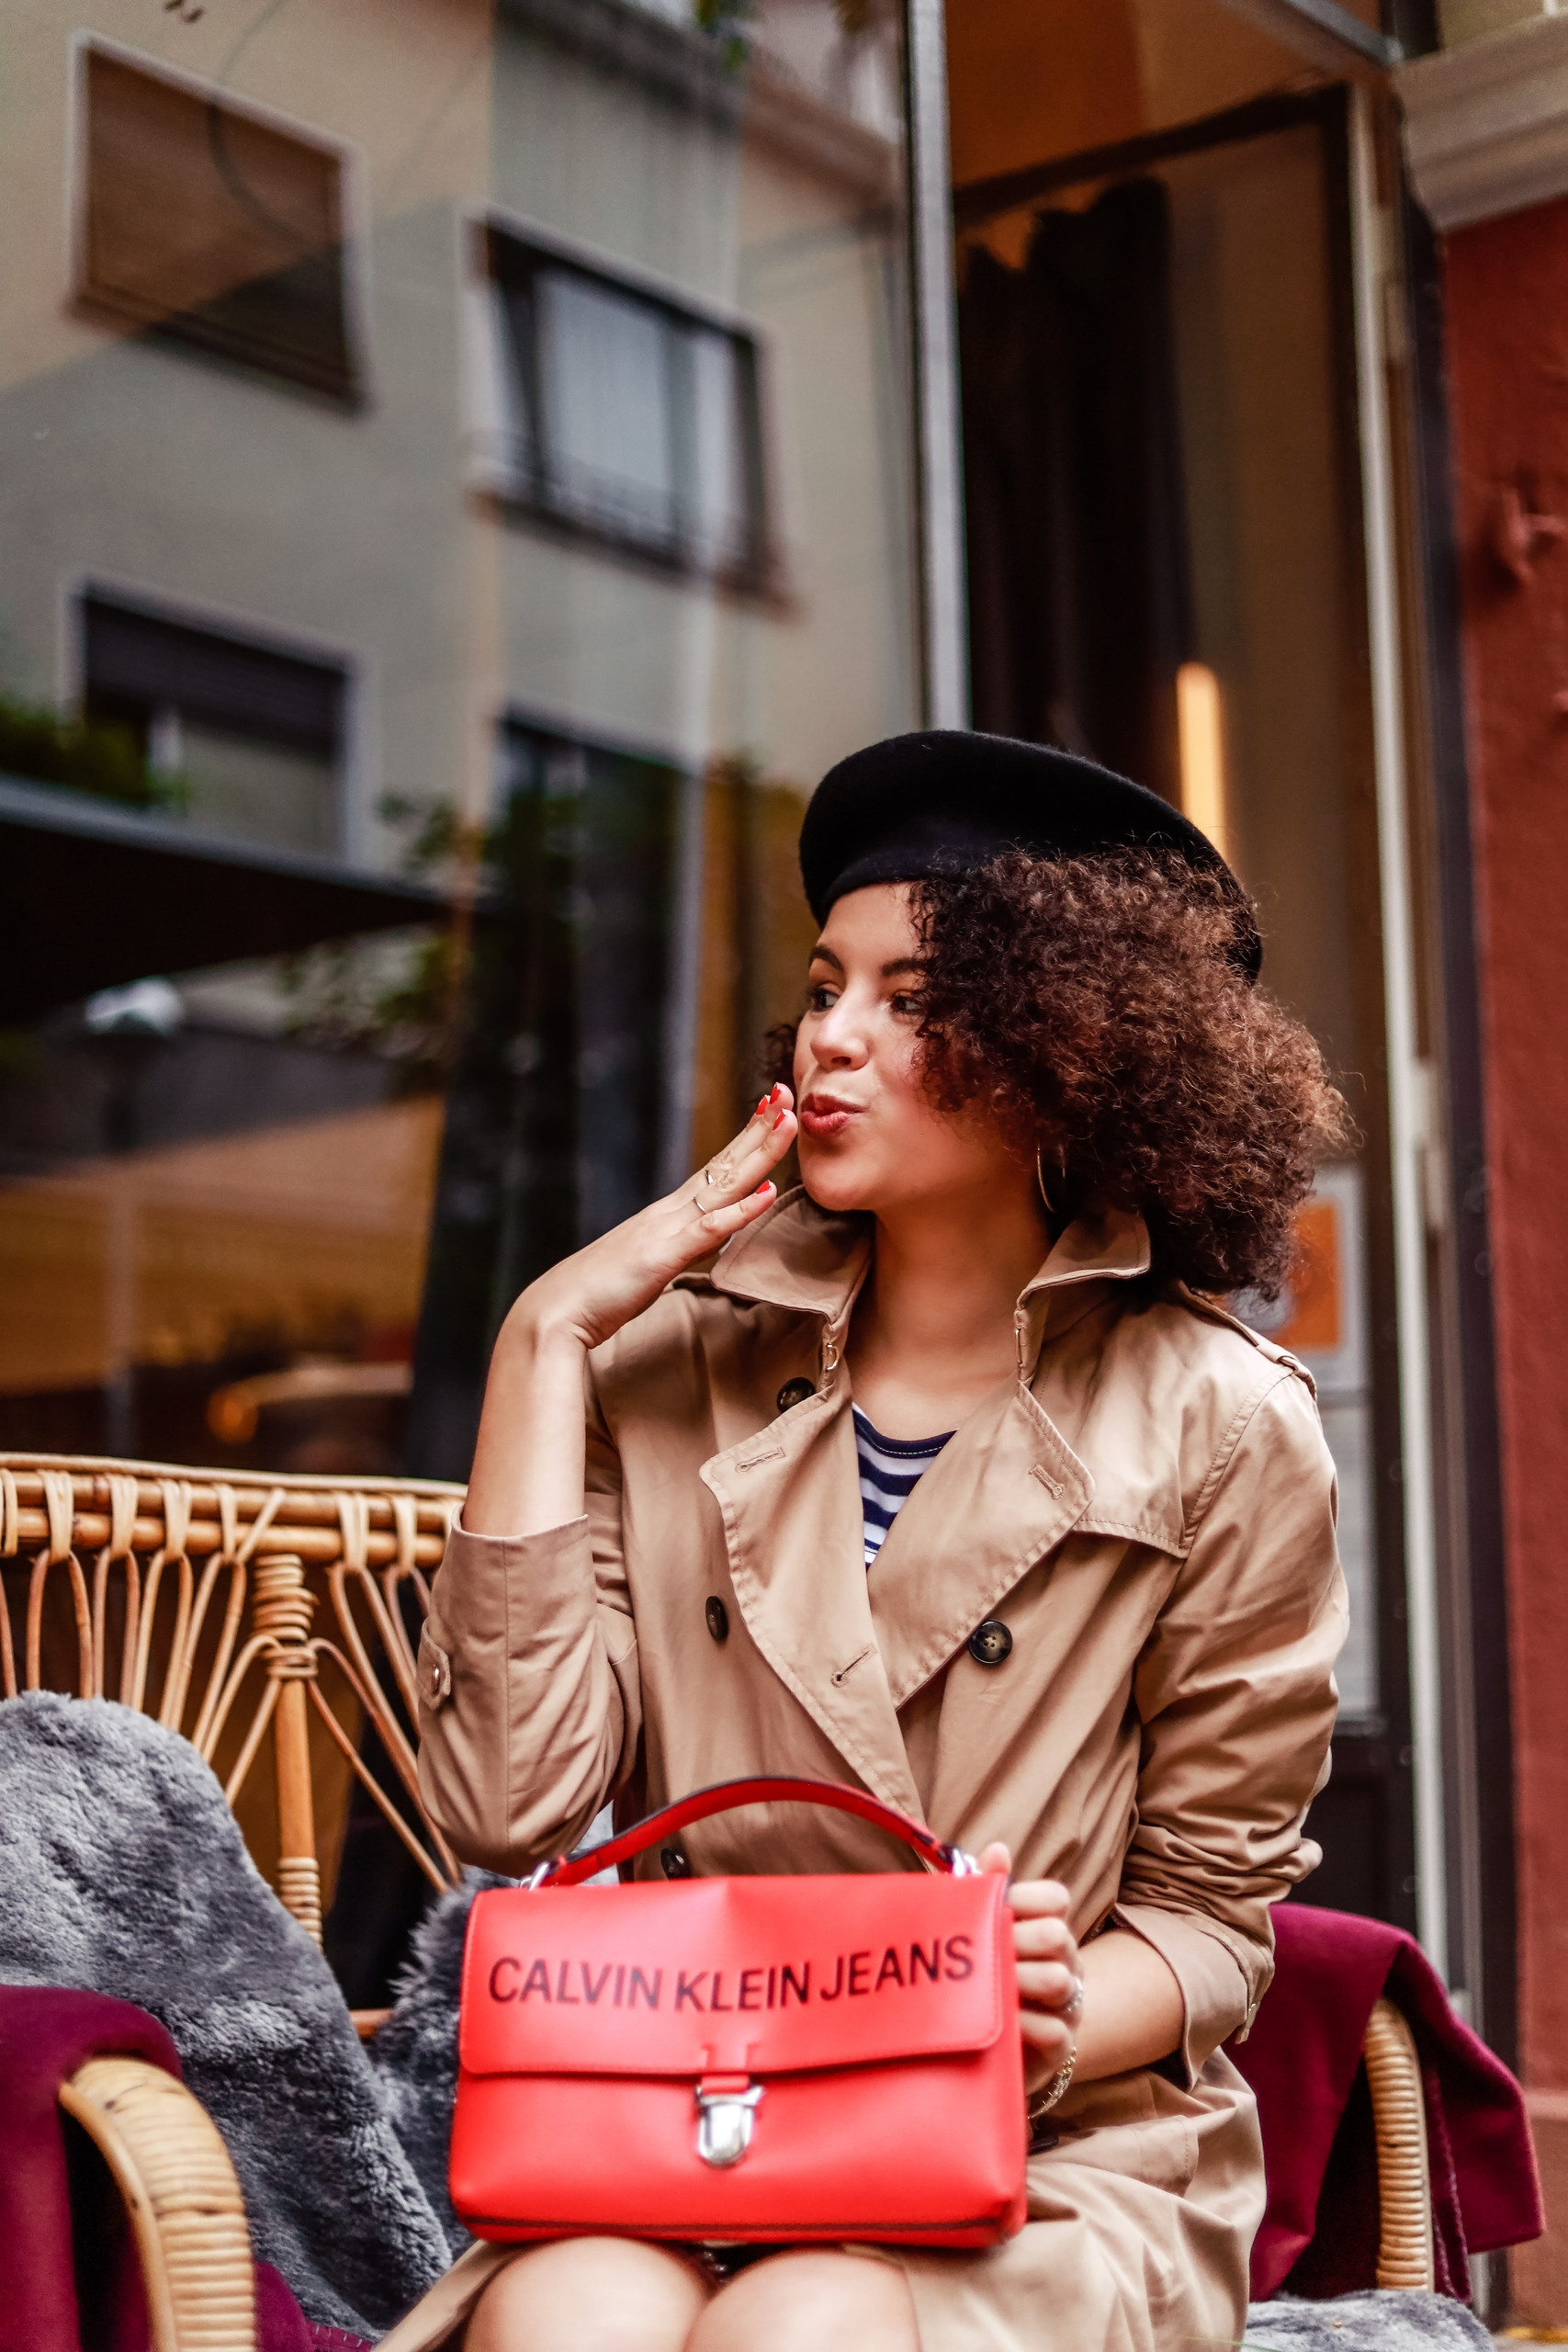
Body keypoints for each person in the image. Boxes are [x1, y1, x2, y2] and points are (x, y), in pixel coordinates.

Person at [391, 731, 1349, 2352]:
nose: (832, 1040)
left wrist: (1034, 2013)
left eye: (912, 1002)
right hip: (679, 2108)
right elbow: (511, 1805)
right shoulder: (658, 1361)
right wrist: (544, 1335)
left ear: (1077, 1046)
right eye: (826, 985)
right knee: (567, 2313)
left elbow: (1205, 1927)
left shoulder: (1224, 1424)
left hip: (1044, 2151)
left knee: (810, 2325)